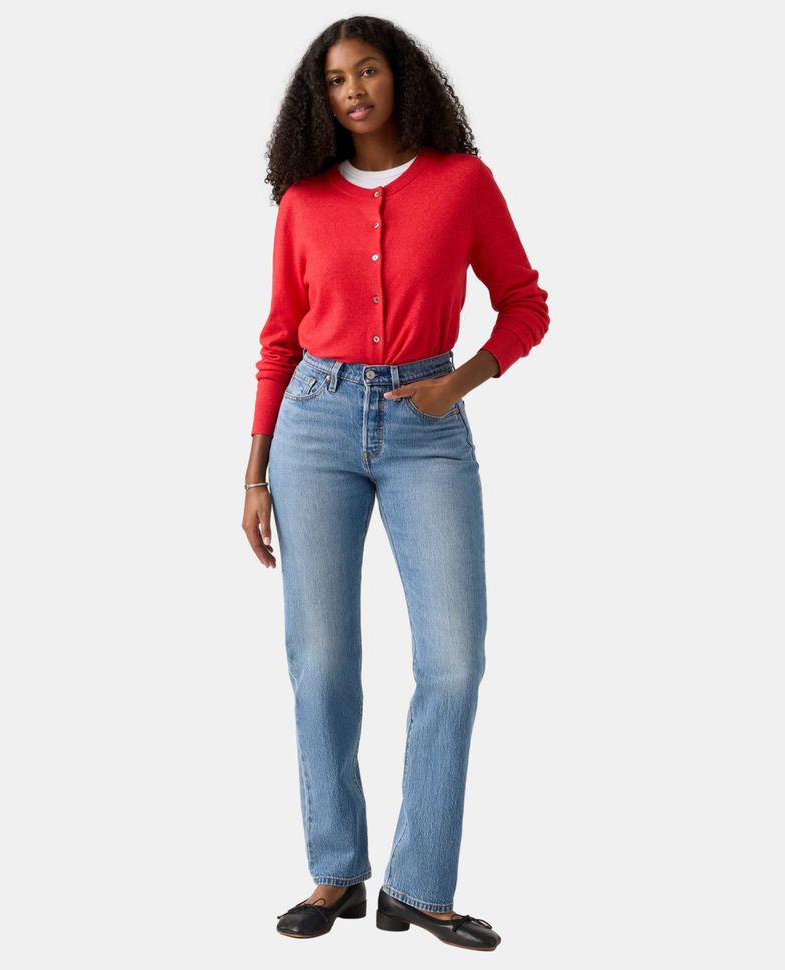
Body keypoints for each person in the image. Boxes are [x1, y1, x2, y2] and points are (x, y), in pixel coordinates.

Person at [242, 16, 549, 952]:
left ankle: (419, 886)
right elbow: (279, 339)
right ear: (321, 99)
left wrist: (460, 382)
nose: (354, 90)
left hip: (429, 424)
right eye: (336, 79)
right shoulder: (304, 201)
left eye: (368, 70)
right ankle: (336, 871)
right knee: (322, 659)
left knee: (454, 661)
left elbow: (525, 303)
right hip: (314, 422)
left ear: (400, 77)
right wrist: (253, 472)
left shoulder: (462, 183)